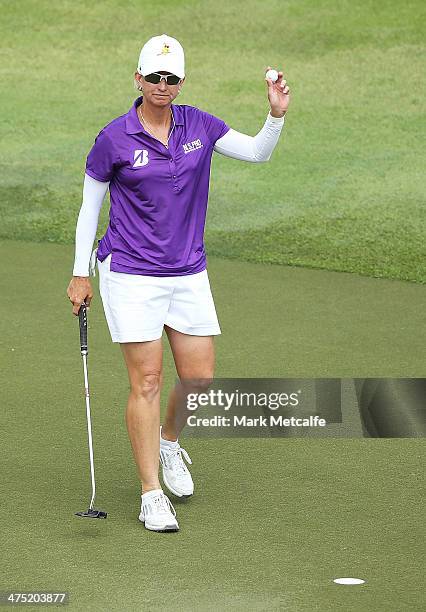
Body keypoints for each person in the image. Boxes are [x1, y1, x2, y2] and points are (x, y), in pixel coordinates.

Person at [66, 33, 290, 532]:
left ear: (181, 82)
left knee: (200, 379)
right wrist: (81, 272)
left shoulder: (200, 125)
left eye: (171, 79)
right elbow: (90, 208)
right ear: (139, 79)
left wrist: (274, 116)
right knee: (146, 380)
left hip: (188, 271)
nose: (162, 86)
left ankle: (169, 444)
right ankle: (150, 493)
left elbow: (256, 154)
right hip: (130, 274)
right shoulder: (114, 138)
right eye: (154, 77)